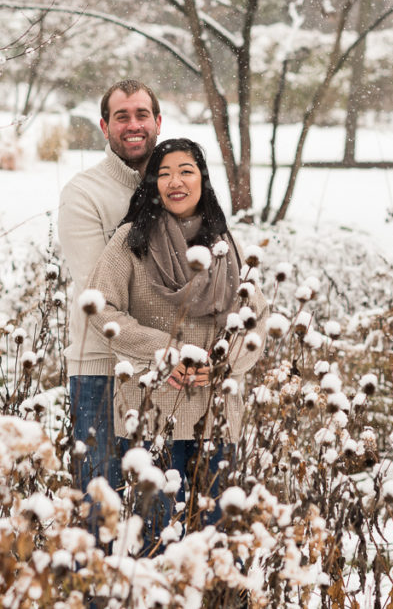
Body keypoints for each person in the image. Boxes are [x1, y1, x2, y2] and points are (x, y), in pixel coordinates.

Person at [84, 137, 267, 551]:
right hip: (152, 411)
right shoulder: (130, 240)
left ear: (202, 178)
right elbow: (101, 310)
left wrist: (222, 363)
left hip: (216, 412)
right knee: (155, 539)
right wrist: (163, 353)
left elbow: (256, 319)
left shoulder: (226, 243)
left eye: (186, 171)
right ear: (152, 184)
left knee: (217, 541)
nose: (175, 182)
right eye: (163, 174)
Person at [58, 79, 162, 492]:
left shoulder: (181, 184)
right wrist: (169, 346)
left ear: (158, 122)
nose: (132, 125)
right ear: (104, 126)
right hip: (101, 373)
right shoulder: (83, 194)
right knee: (102, 506)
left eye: (141, 115)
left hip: (166, 374)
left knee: (162, 513)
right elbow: (97, 300)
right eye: (122, 116)